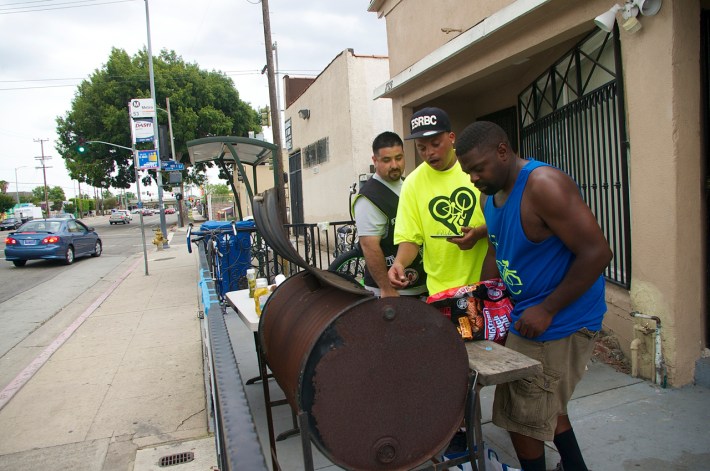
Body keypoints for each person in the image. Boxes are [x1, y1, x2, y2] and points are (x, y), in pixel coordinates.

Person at [455, 121, 613, 471]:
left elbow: (598, 253)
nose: (473, 179)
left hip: (560, 320)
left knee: (522, 417)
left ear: (502, 150)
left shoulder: (544, 186)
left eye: (478, 168)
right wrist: (481, 304)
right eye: (468, 172)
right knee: (545, 404)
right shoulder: (489, 195)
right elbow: (496, 251)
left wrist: (547, 309)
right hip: (525, 314)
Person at [387, 107, 488, 297]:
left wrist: (478, 233)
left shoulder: (475, 167)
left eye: (435, 144)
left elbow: (505, 219)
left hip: (486, 284)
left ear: (451, 138)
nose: (429, 153)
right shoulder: (412, 183)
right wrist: (399, 263)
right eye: (421, 148)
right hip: (441, 293)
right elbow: (410, 238)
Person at [352, 131, 427, 297]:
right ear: (375, 161)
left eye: (399, 158)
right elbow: (369, 246)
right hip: (392, 292)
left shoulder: (410, 184)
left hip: (421, 283)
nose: (394, 165)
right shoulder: (369, 198)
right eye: (386, 160)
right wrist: (386, 288)